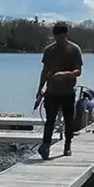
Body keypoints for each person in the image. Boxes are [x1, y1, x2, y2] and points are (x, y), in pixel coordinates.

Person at [34, 21, 83, 159]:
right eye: (56, 38)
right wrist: (39, 90)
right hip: (52, 91)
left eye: (61, 37)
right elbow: (44, 71)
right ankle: (46, 145)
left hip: (68, 92)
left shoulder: (74, 50)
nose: (58, 40)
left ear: (66, 35)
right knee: (50, 120)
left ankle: (67, 146)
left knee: (69, 121)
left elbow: (78, 71)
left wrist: (65, 74)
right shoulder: (49, 50)